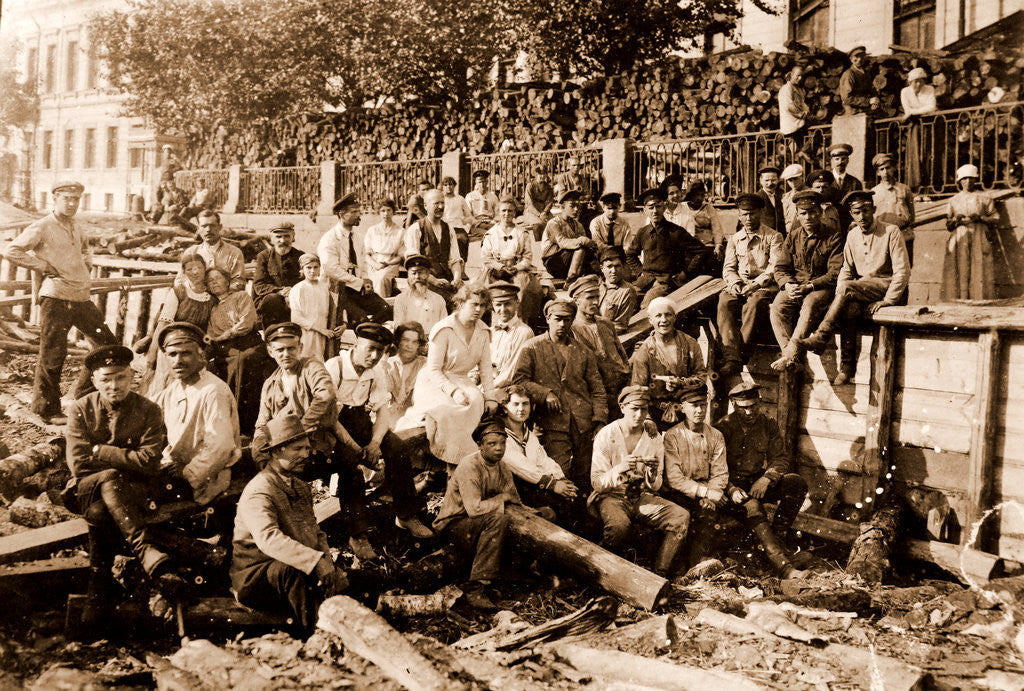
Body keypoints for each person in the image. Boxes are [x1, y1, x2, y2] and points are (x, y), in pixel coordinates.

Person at [65, 345, 175, 629]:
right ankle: (145, 550)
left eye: (121, 377)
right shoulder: (80, 409)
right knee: (110, 479)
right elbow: (79, 465)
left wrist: (100, 449)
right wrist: (122, 462)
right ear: (94, 381)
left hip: (133, 491)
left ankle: (98, 597)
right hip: (88, 487)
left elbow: (150, 462)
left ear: (132, 376)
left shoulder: (149, 410)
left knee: (101, 514)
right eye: (106, 379)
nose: (114, 386)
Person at [251, 322, 379, 560]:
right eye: (280, 350)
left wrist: (301, 430)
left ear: (300, 347)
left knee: (351, 470)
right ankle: (292, 543)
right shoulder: (270, 384)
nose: (286, 354)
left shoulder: (311, 367)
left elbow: (325, 394)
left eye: (291, 348)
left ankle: (358, 536)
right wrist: (259, 450)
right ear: (270, 352)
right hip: (289, 457)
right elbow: (261, 422)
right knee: (280, 487)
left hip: (320, 447)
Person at [2, 181, 117, 423]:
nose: (72, 203)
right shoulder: (42, 226)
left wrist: (87, 262)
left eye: (76, 199)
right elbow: (12, 250)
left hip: (80, 296)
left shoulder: (77, 226)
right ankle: (46, 410)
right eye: (66, 199)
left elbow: (86, 250)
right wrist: (42, 265)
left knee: (106, 344)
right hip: (55, 297)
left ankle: (83, 395)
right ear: (54, 199)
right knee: (53, 353)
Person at [231, 413, 349, 635]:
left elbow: (316, 533)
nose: (307, 454)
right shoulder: (260, 490)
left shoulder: (301, 488)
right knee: (293, 573)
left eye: (307, 448)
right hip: (254, 577)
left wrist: (327, 564)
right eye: (298, 449)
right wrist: (315, 563)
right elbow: (269, 540)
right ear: (276, 452)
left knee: (353, 582)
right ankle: (316, 638)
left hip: (291, 568)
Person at [324, 322, 434, 539]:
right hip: (332, 427)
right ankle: (358, 535)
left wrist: (375, 443)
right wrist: (358, 450)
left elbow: (383, 410)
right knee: (351, 466)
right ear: (356, 344)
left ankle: (406, 515)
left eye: (380, 351)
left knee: (397, 449)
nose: (374, 355)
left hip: (359, 421)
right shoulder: (334, 367)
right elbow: (329, 419)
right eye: (370, 348)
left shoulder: (376, 370)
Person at [797, 190, 911, 385]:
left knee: (848, 288)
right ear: (851, 214)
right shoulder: (852, 235)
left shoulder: (891, 231)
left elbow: (902, 271)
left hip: (887, 286)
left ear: (874, 210)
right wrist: (841, 289)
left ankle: (822, 335)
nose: (862, 216)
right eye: (856, 212)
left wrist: (888, 300)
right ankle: (847, 368)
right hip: (861, 290)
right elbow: (846, 270)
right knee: (849, 309)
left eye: (866, 211)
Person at [433, 416, 539, 610]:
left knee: (537, 516)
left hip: (479, 522)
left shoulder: (502, 467)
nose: (498, 448)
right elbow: (473, 509)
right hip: (454, 524)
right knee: (497, 519)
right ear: (480, 446)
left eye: (502, 443)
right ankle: (477, 586)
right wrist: (502, 499)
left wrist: (535, 514)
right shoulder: (469, 466)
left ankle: (515, 572)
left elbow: (515, 500)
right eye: (491, 443)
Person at [589, 386, 690, 577]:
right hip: (612, 496)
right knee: (619, 527)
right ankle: (605, 572)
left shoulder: (653, 437)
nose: (639, 414)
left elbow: (657, 485)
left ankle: (660, 574)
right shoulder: (607, 434)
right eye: (634, 408)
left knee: (680, 517)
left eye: (644, 409)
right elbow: (597, 482)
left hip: (640, 496)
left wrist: (651, 473)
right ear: (622, 407)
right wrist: (620, 467)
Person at [395, 284, 498, 467]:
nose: (478, 309)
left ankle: (461, 462)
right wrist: (453, 392)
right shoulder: (443, 328)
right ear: (460, 303)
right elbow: (434, 369)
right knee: (448, 410)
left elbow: (486, 368)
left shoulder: (483, 331)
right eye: (473, 304)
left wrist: (490, 396)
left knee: (475, 401)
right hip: (434, 381)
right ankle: (445, 460)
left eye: (482, 305)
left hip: (462, 379)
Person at [512, 300, 607, 492]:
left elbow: (597, 389)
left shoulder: (583, 352)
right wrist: (544, 393)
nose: (562, 325)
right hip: (552, 423)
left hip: (583, 423)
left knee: (584, 474)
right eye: (557, 319)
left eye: (567, 320)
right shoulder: (532, 348)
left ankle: (581, 515)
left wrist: (599, 421)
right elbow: (519, 381)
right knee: (558, 471)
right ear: (548, 319)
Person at [718, 382, 808, 578]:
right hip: (729, 487)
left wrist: (767, 478)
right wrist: (731, 488)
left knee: (796, 483)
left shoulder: (768, 424)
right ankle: (783, 567)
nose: (750, 412)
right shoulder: (723, 428)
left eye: (754, 406)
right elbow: (715, 468)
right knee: (753, 507)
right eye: (744, 408)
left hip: (757, 482)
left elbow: (780, 458)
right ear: (734, 405)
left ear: (759, 402)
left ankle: (779, 536)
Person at [153, 322, 240, 505]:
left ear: (201, 355)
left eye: (186, 353)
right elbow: (146, 412)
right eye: (172, 354)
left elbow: (221, 446)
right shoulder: (174, 388)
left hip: (204, 478)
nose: (178, 361)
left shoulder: (213, 390)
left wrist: (188, 472)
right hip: (175, 468)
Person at [769, 190, 845, 371]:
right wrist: (788, 285)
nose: (808, 217)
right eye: (803, 213)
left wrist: (810, 286)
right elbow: (780, 268)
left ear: (820, 213)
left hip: (821, 288)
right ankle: (791, 357)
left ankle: (789, 356)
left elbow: (835, 273)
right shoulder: (793, 236)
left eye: (812, 212)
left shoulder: (833, 236)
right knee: (777, 306)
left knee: (810, 303)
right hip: (796, 286)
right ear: (797, 215)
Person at [660, 385, 729, 570]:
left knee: (708, 516)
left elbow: (720, 472)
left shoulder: (715, 436)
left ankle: (695, 568)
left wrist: (711, 495)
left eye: (702, 405)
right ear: (682, 407)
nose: (699, 410)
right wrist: (704, 492)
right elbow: (674, 478)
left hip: (708, 494)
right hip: (679, 492)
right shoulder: (672, 436)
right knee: (682, 517)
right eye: (693, 405)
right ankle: (674, 568)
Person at [717, 193, 784, 375]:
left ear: (760, 213)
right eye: (744, 214)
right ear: (739, 215)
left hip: (764, 286)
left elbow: (774, 267)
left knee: (754, 303)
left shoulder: (774, 237)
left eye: (752, 213)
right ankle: (731, 354)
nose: (748, 218)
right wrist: (735, 283)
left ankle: (741, 355)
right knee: (725, 300)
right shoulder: (734, 239)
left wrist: (755, 284)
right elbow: (728, 267)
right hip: (741, 285)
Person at [141, 248, 215, 397]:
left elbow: (211, 330)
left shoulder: (212, 296)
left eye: (199, 268)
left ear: (205, 269)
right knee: (163, 387)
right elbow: (162, 324)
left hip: (195, 346)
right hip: (172, 343)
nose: (195, 272)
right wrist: (153, 352)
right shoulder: (178, 292)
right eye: (190, 269)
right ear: (184, 271)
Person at [625, 188, 710, 309]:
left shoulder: (676, 231)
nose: (655, 211)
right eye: (651, 207)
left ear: (664, 208)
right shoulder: (643, 232)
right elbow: (630, 254)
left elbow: (701, 251)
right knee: (624, 297)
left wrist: (685, 273)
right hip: (646, 279)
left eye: (658, 206)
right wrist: (639, 272)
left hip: (667, 282)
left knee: (648, 304)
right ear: (645, 210)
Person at [630, 297, 706, 430]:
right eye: (658, 316)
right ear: (650, 320)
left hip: (686, 410)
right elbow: (638, 389)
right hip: (655, 412)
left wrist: (681, 383)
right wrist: (646, 419)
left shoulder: (689, 343)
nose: (664, 320)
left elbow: (701, 376)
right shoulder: (645, 350)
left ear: (675, 317)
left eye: (668, 315)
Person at [501, 385, 578, 514]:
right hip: (513, 490)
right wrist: (552, 484)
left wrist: (561, 478)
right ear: (505, 407)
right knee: (555, 508)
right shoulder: (500, 433)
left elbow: (543, 460)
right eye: (515, 404)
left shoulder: (528, 434)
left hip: (532, 484)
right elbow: (520, 466)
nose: (521, 409)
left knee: (571, 500)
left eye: (525, 404)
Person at [318, 192, 393, 325]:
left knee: (386, 310)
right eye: (354, 212)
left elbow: (362, 263)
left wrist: (365, 278)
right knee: (361, 319)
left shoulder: (358, 237)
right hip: (337, 291)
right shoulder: (329, 239)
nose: (359, 215)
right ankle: (363, 331)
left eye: (359, 211)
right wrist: (358, 282)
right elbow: (331, 269)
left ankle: (367, 332)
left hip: (357, 288)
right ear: (341, 214)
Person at [206, 267, 263, 428]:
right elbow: (211, 335)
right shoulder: (213, 309)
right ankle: (228, 421)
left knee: (243, 361)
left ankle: (244, 423)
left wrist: (225, 335)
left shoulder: (241, 296)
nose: (214, 282)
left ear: (227, 281)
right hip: (226, 348)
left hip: (248, 342)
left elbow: (246, 323)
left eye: (218, 278)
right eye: (210, 280)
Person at [569, 274, 631, 415]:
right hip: (594, 397)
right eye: (590, 298)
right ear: (576, 299)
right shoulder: (571, 329)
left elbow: (622, 356)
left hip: (619, 392)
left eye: (597, 297)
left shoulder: (606, 324)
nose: (596, 302)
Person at [481, 197, 544, 325]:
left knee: (524, 286)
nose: (506, 214)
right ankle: (492, 322)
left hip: (517, 268)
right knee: (482, 290)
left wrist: (516, 267)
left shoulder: (522, 233)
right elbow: (486, 258)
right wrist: (500, 267)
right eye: (503, 210)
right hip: (496, 270)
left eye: (510, 211)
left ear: (515, 213)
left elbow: (527, 257)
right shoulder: (491, 234)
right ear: (498, 212)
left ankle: (520, 319)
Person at [943, 164, 1000, 300]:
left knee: (978, 266)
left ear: (976, 180)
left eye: (971, 178)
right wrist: (956, 219)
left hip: (979, 234)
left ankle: (978, 300)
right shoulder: (953, 200)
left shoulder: (985, 198)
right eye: (964, 179)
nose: (968, 182)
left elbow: (996, 218)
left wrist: (981, 218)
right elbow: (948, 225)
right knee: (961, 267)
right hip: (960, 236)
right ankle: (960, 299)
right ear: (960, 181)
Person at [405, 189, 465, 304]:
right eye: (436, 203)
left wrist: (457, 278)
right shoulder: (416, 229)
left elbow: (454, 259)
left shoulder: (448, 228)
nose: (441, 206)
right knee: (450, 302)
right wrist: (434, 280)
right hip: (423, 280)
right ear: (426, 206)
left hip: (446, 279)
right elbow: (414, 265)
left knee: (474, 299)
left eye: (442, 203)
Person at [288, 253, 340, 362]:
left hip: (324, 335)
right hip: (306, 334)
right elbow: (296, 318)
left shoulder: (325, 288)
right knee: (304, 361)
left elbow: (336, 308)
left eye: (315, 267)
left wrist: (343, 324)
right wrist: (321, 330)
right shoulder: (298, 289)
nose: (312, 271)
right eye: (308, 268)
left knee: (321, 362)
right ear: (302, 269)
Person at [177, 211, 245, 292]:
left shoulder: (234, 252)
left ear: (220, 227)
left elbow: (239, 282)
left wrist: (222, 295)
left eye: (212, 225)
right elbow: (180, 281)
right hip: (197, 299)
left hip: (225, 299)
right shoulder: (191, 252)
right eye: (204, 226)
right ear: (198, 229)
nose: (208, 230)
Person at [253, 223, 305, 329]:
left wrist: (292, 292)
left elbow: (306, 281)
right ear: (272, 239)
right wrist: (280, 291)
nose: (282, 241)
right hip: (269, 301)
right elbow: (259, 285)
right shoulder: (264, 257)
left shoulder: (300, 256)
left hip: (295, 298)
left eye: (287, 236)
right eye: (278, 237)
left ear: (293, 237)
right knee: (273, 300)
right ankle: (271, 335)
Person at [542, 189, 597, 281]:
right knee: (581, 249)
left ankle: (597, 275)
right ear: (562, 207)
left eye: (577, 206)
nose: (576, 209)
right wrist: (583, 240)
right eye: (572, 206)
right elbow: (562, 242)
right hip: (554, 261)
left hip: (572, 260)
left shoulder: (578, 225)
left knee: (589, 251)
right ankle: (571, 280)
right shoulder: (554, 223)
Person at [488, 281, 534, 389]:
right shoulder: (489, 331)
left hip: (510, 388)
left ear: (517, 303)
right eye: (498, 305)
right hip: (486, 384)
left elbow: (512, 372)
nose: (503, 310)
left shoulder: (524, 332)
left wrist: (486, 389)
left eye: (507, 304)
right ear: (492, 305)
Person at [871, 153, 916, 261]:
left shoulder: (904, 189)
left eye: (888, 168)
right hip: (883, 237)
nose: (885, 172)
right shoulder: (874, 192)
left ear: (894, 168)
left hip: (903, 235)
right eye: (882, 169)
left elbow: (912, 214)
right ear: (878, 172)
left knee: (904, 267)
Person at [901, 67, 938, 190]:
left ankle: (928, 188)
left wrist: (913, 112)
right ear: (910, 82)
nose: (918, 84)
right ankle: (915, 188)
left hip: (928, 125)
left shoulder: (929, 89)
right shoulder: (905, 92)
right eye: (915, 81)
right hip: (914, 126)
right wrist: (914, 112)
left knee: (928, 154)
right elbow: (907, 110)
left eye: (921, 81)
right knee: (914, 155)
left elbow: (931, 107)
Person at [382, 322, 427, 422]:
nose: (409, 346)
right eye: (405, 340)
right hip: (390, 418)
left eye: (414, 342)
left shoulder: (425, 364)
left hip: (418, 418)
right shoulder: (388, 364)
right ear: (398, 341)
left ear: (419, 344)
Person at [392, 253, 448, 334]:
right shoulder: (401, 299)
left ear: (428, 274)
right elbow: (399, 328)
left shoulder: (438, 299)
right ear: (408, 275)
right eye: (414, 273)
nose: (417, 277)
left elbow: (443, 327)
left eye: (421, 273)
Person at [362, 198, 405, 297]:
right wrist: (375, 265)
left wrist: (388, 263)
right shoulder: (372, 230)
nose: (386, 214)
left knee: (381, 278)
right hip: (374, 265)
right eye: (383, 211)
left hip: (391, 265)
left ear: (393, 211)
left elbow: (400, 256)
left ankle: (381, 304)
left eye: (389, 210)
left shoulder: (400, 231)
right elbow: (367, 254)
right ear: (379, 212)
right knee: (373, 279)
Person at [676, 181, 725, 263]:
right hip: (687, 247)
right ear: (690, 195)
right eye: (696, 195)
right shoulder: (683, 207)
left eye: (702, 195)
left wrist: (718, 245)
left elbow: (717, 229)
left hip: (707, 246)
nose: (699, 198)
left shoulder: (709, 208)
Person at [598, 246, 639, 334]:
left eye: (617, 266)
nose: (613, 271)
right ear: (602, 268)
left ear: (623, 267)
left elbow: (619, 326)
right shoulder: (594, 286)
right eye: (609, 266)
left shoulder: (627, 291)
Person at [778, 64, 810, 159]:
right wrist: (801, 114)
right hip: (792, 126)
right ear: (791, 75)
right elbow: (789, 106)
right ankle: (801, 153)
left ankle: (803, 152)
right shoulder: (786, 89)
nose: (800, 78)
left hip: (799, 125)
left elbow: (804, 104)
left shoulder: (799, 90)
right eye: (798, 75)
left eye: (802, 76)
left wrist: (806, 111)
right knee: (795, 156)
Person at [589, 192, 633, 261]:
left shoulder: (624, 223)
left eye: (615, 208)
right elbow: (598, 244)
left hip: (620, 258)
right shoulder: (596, 222)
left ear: (620, 206)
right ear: (603, 207)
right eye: (609, 208)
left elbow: (627, 245)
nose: (612, 211)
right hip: (601, 257)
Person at [838, 46, 878, 115]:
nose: (859, 59)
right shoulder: (849, 74)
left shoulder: (865, 73)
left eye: (862, 56)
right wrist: (868, 101)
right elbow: (847, 98)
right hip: (853, 111)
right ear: (851, 59)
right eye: (856, 57)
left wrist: (875, 101)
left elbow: (871, 90)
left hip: (865, 108)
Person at [441, 177, 473, 259]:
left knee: (463, 239)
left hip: (457, 226)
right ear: (443, 186)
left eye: (450, 184)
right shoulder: (441, 199)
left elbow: (468, 215)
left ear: (454, 186)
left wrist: (466, 226)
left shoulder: (460, 199)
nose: (448, 186)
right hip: (443, 225)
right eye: (445, 185)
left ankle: (462, 266)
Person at [466, 170, 501, 243]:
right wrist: (477, 223)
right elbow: (467, 214)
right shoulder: (470, 196)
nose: (482, 184)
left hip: (490, 223)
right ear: (476, 182)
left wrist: (493, 221)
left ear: (487, 182)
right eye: (480, 182)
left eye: (484, 182)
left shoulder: (492, 196)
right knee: (489, 236)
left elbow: (498, 213)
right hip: (476, 224)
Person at [522, 166, 555, 241]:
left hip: (544, 212)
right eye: (540, 174)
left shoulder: (548, 187)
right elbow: (529, 203)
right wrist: (539, 214)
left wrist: (545, 212)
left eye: (544, 174)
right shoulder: (530, 186)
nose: (542, 176)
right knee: (537, 226)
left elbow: (549, 202)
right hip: (531, 212)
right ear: (536, 175)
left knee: (554, 223)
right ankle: (538, 244)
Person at [755, 166, 786, 235]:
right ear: (761, 180)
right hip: (763, 237)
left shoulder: (780, 197)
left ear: (778, 180)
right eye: (767, 180)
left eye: (773, 180)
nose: (770, 184)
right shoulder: (756, 198)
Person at [780, 163, 805, 233]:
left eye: (795, 179)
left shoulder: (809, 193)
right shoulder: (785, 197)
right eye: (790, 180)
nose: (793, 183)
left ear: (802, 177)